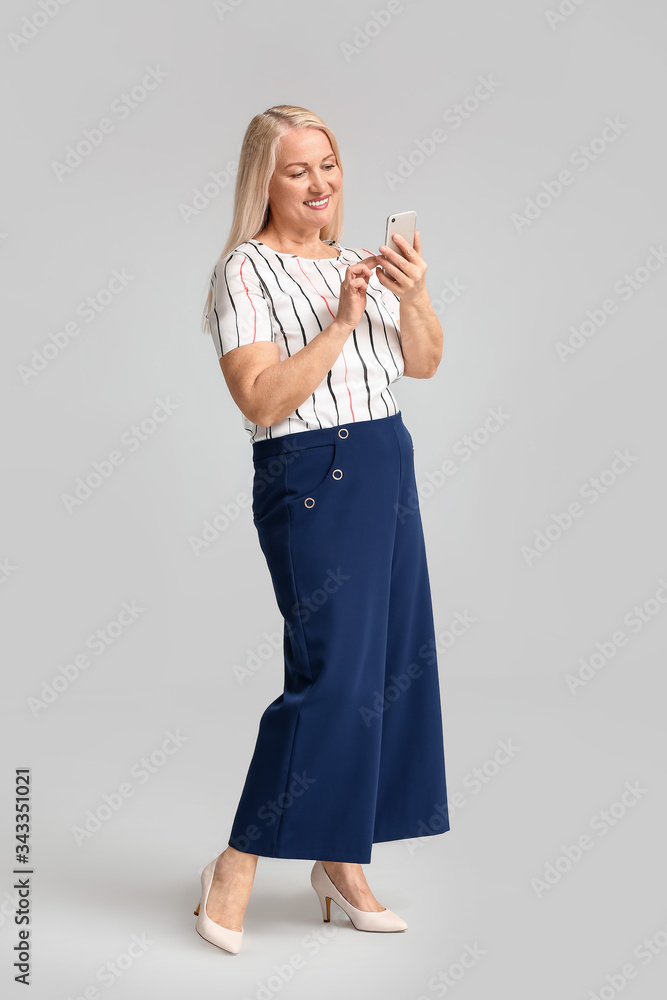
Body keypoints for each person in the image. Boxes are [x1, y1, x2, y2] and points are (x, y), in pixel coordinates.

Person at [195, 104, 450, 955]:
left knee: (386, 671)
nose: (319, 183)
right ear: (263, 181)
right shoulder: (244, 271)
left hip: (385, 462)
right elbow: (260, 400)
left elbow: (422, 362)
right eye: (297, 169)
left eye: (328, 165)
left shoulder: (358, 261)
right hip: (311, 474)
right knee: (331, 680)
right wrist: (340, 323)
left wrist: (411, 296)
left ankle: (341, 862)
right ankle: (235, 863)